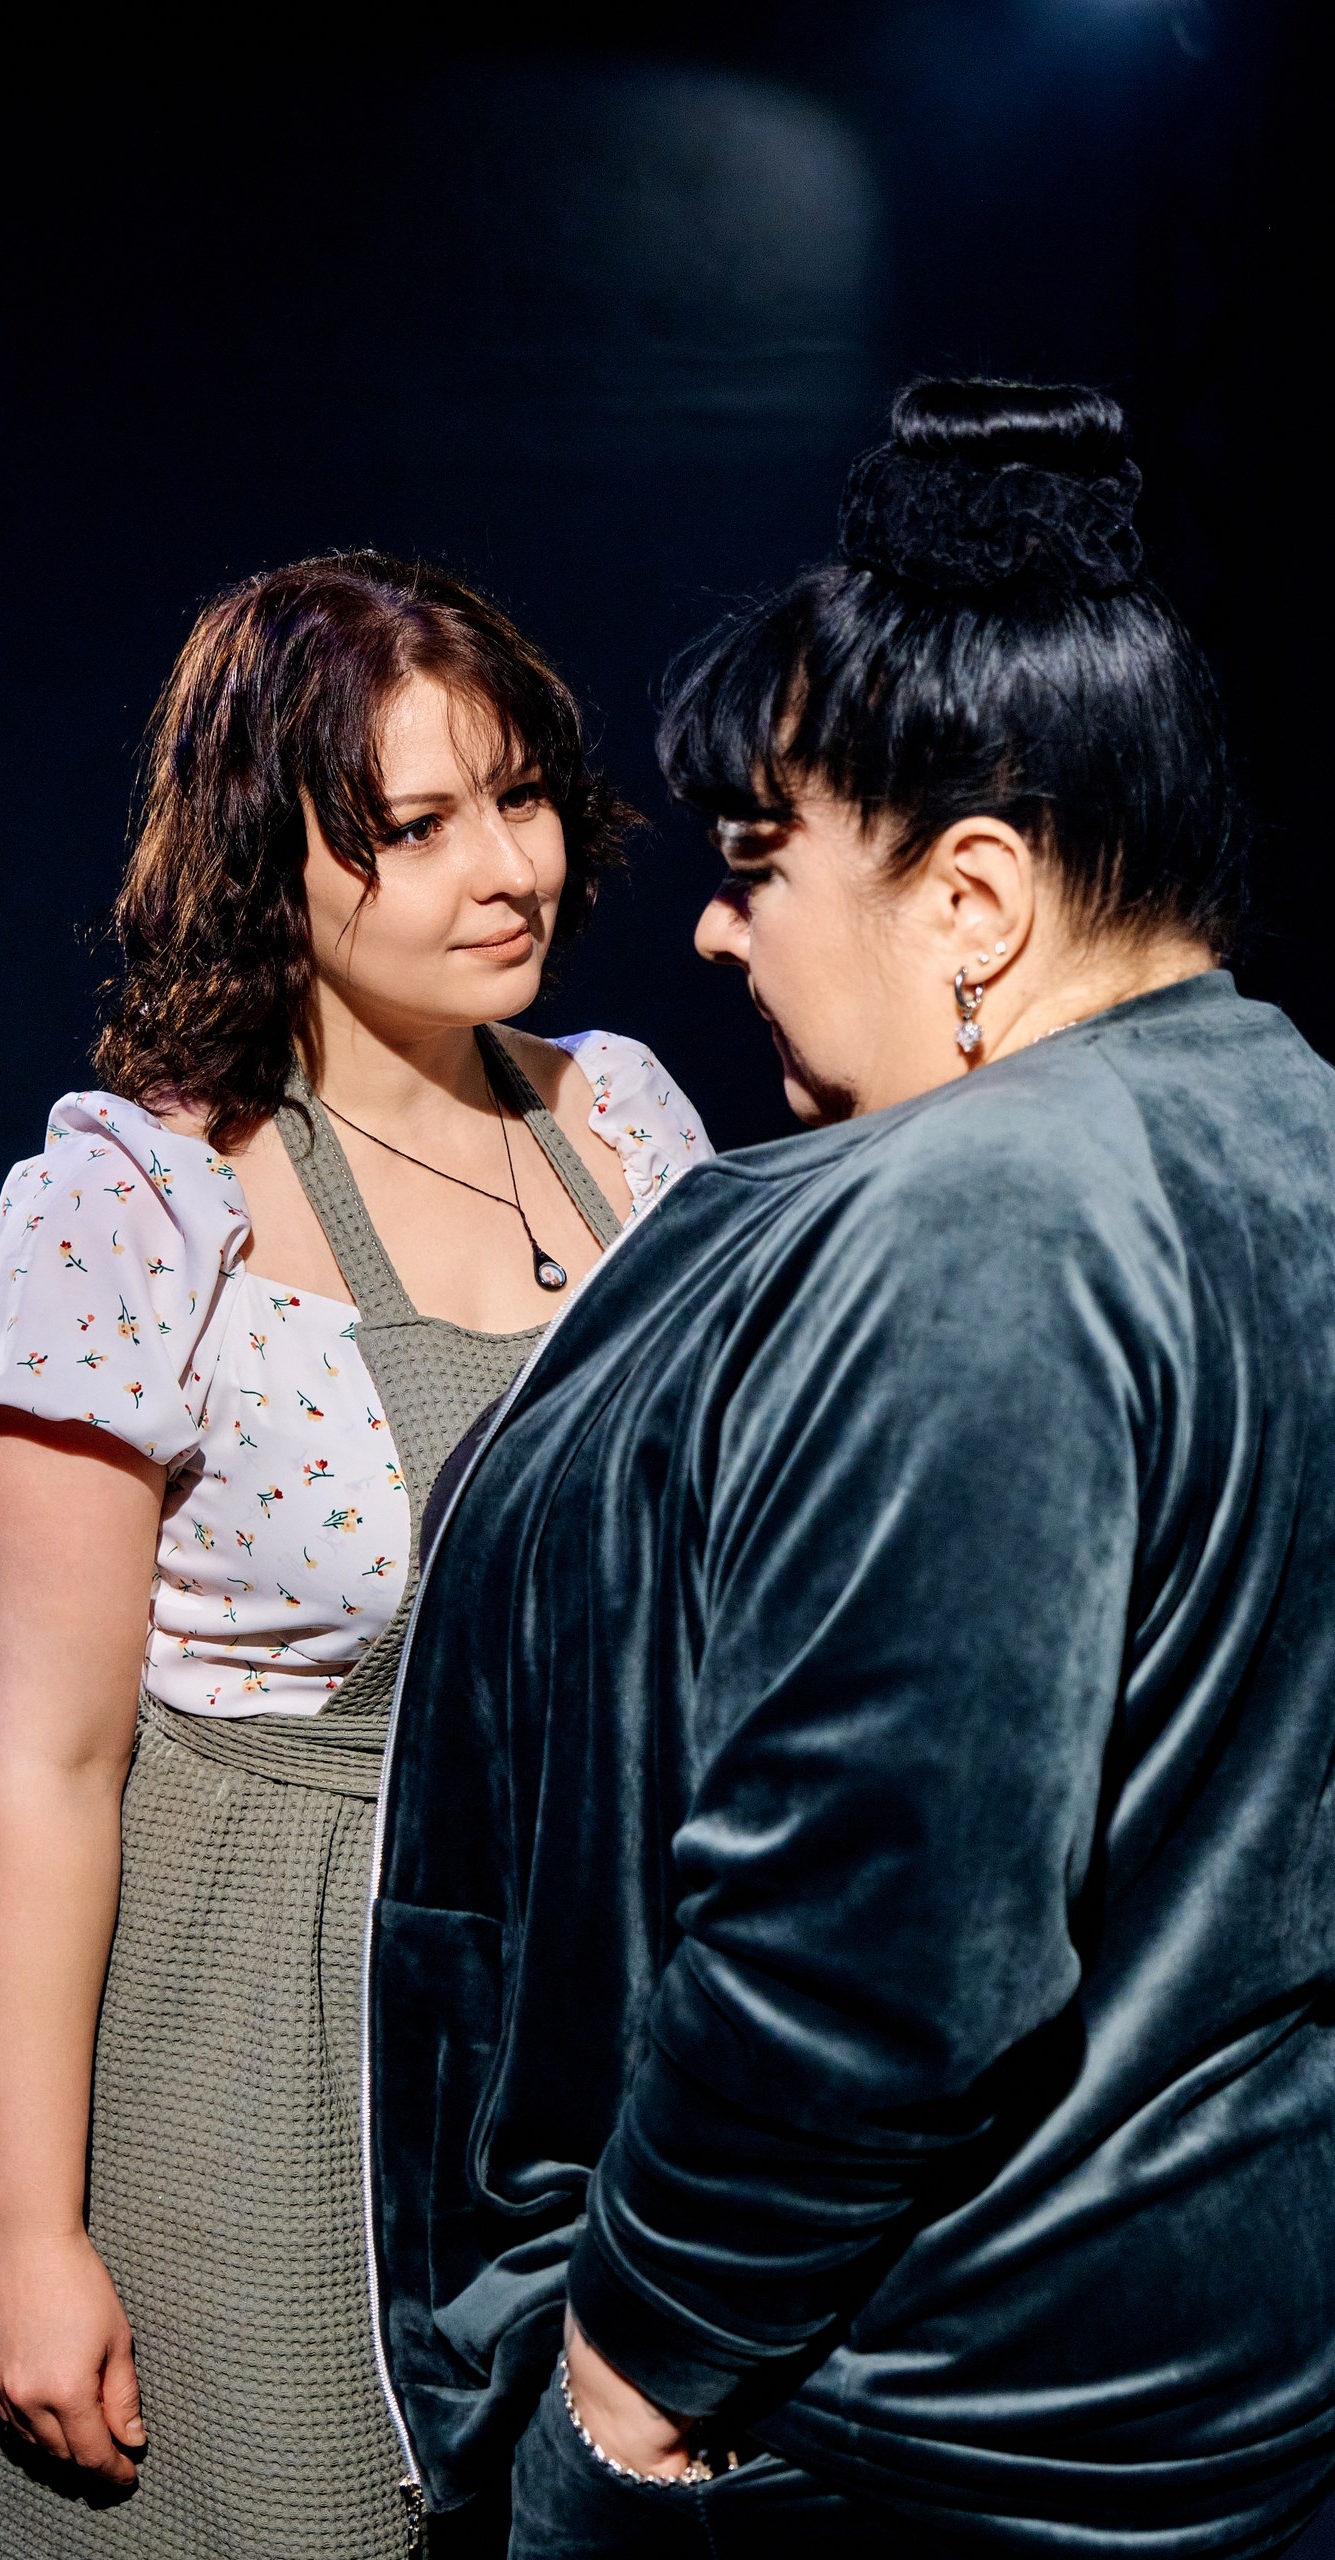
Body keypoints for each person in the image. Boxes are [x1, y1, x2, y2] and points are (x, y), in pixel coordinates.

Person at [367, 384, 1335, 2556]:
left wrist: (625, 2395)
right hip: (1214, 2383)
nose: (717, 932)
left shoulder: (985, 1211)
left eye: (757, 864)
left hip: (924, 2425)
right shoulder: (1286, 1115)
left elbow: (874, 1944)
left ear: (971, 896)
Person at [0, 551, 712, 2559]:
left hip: (579, 2011)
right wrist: (30, 2231)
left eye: (519, 796)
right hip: (272, 2028)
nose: (507, 867)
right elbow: (50, 1773)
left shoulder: (621, 1124)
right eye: (416, 826)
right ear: (266, 855)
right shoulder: (142, 1207)